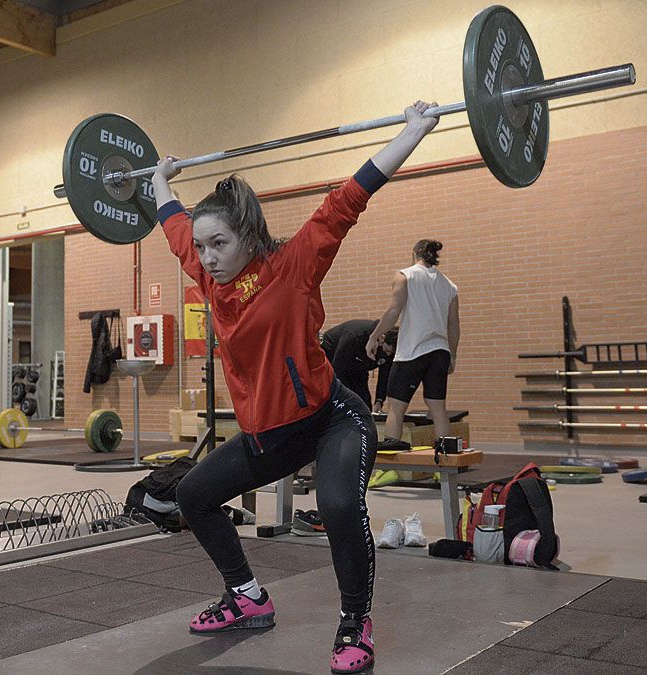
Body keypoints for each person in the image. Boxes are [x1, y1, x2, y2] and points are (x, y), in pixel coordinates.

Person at [152, 101, 438, 674]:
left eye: (220, 245)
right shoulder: (209, 275)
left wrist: (413, 130)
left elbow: (351, 197)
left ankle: (355, 621)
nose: (207, 258)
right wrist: (159, 179)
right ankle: (247, 596)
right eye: (203, 247)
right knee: (193, 496)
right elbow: (173, 223)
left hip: (330, 418)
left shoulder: (294, 264)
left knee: (336, 504)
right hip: (266, 434)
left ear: (249, 236)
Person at [365, 239, 459, 449]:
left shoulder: (405, 275)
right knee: (438, 409)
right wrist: (452, 355)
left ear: (414, 254)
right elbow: (453, 325)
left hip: (412, 351)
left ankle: (392, 467)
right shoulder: (449, 286)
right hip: (440, 352)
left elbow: (393, 312)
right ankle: (446, 463)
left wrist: (373, 337)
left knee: (396, 409)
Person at [320, 319, 396, 413]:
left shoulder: (388, 351)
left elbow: (384, 376)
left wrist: (379, 401)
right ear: (381, 339)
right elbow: (338, 369)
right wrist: (346, 397)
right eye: (387, 351)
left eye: (390, 353)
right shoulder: (354, 336)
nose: (387, 355)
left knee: (364, 402)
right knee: (345, 400)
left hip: (358, 365)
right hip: (333, 357)